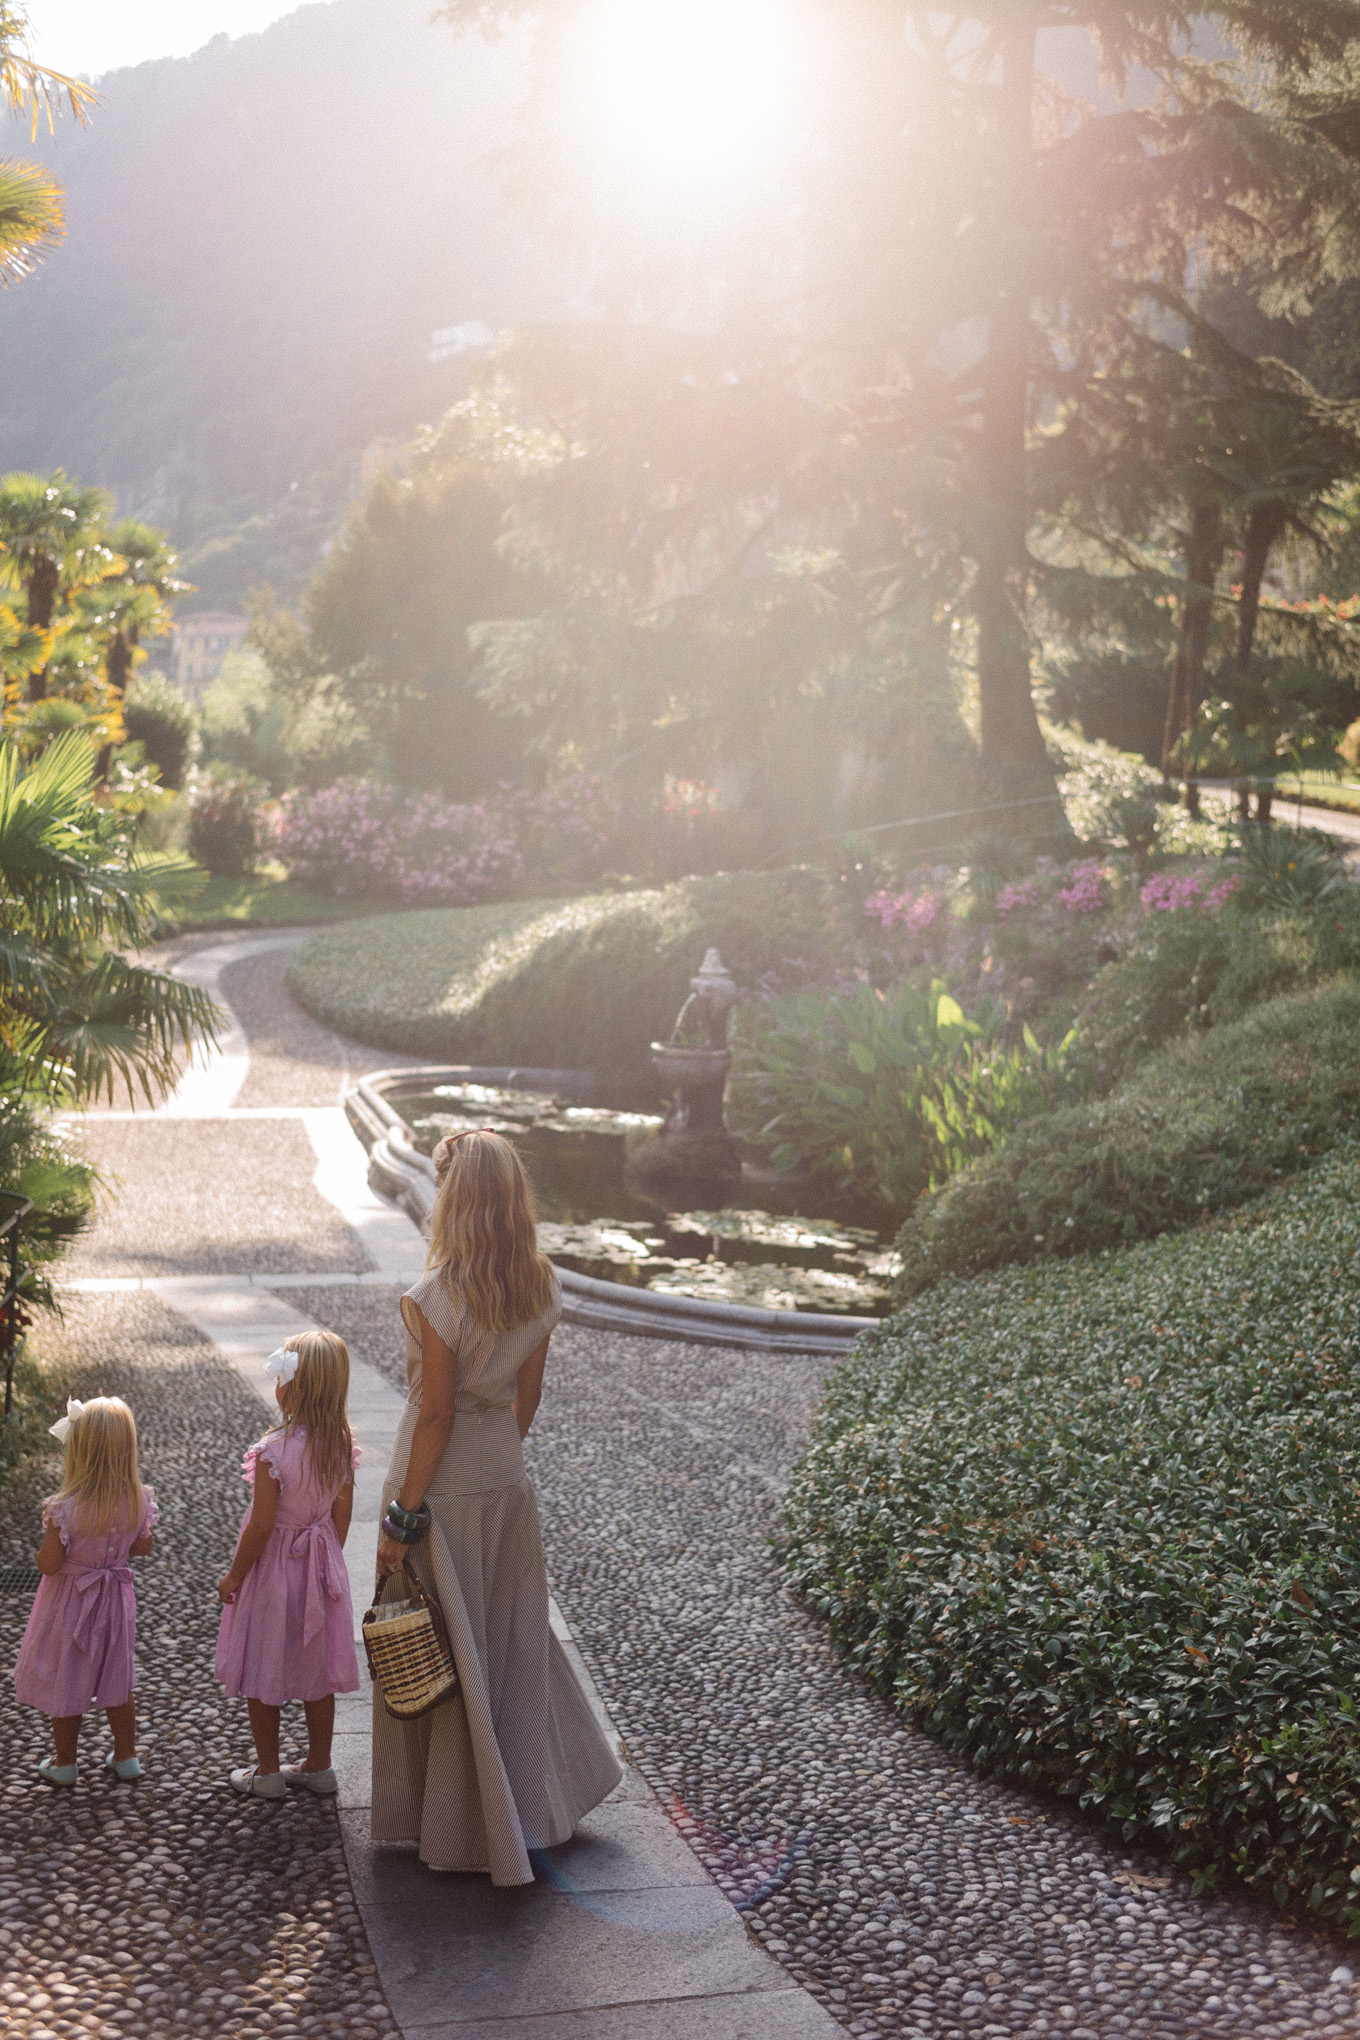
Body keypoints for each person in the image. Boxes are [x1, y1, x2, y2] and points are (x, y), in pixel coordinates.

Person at [371, 1127, 621, 1883]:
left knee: (440, 1652)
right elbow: (525, 1398)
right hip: (505, 1484)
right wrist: (497, 1461)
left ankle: (456, 1828)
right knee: (508, 1646)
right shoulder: (540, 1283)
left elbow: (436, 1417)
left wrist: (400, 1522)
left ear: (454, 1201)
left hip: (439, 1492)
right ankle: (530, 1807)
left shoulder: (434, 1298)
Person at [215, 1328, 361, 1799]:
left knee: (266, 1667)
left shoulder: (272, 1452)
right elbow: (342, 1517)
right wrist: (324, 1562)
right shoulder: (340, 1443)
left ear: (290, 1387)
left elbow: (261, 1526)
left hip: (273, 1574)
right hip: (320, 1570)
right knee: (317, 1674)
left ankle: (269, 1771)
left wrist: (236, 1574)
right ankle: (319, 1766)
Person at [14, 1395, 158, 1786]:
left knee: (67, 1676)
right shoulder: (137, 1500)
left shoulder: (64, 1507)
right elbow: (142, 1547)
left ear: (78, 1451)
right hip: (114, 1601)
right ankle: (126, 1757)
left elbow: (49, 1564)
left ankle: (65, 1763)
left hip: (69, 1604)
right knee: (118, 1678)